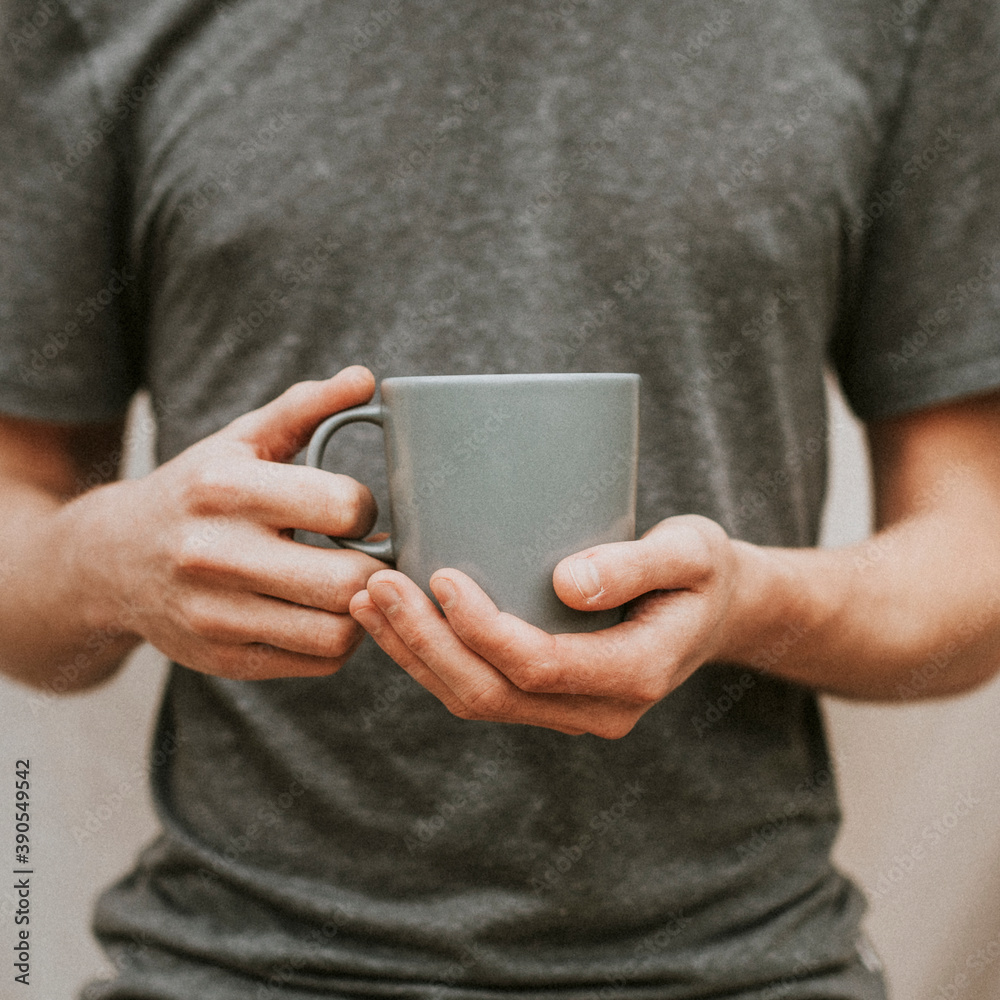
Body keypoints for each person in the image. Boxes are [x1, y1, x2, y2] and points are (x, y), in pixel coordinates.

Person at [2, 0, 999, 997]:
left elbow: (973, 557)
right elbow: (21, 545)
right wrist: (103, 565)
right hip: (226, 964)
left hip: (746, 961)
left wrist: (747, 603)